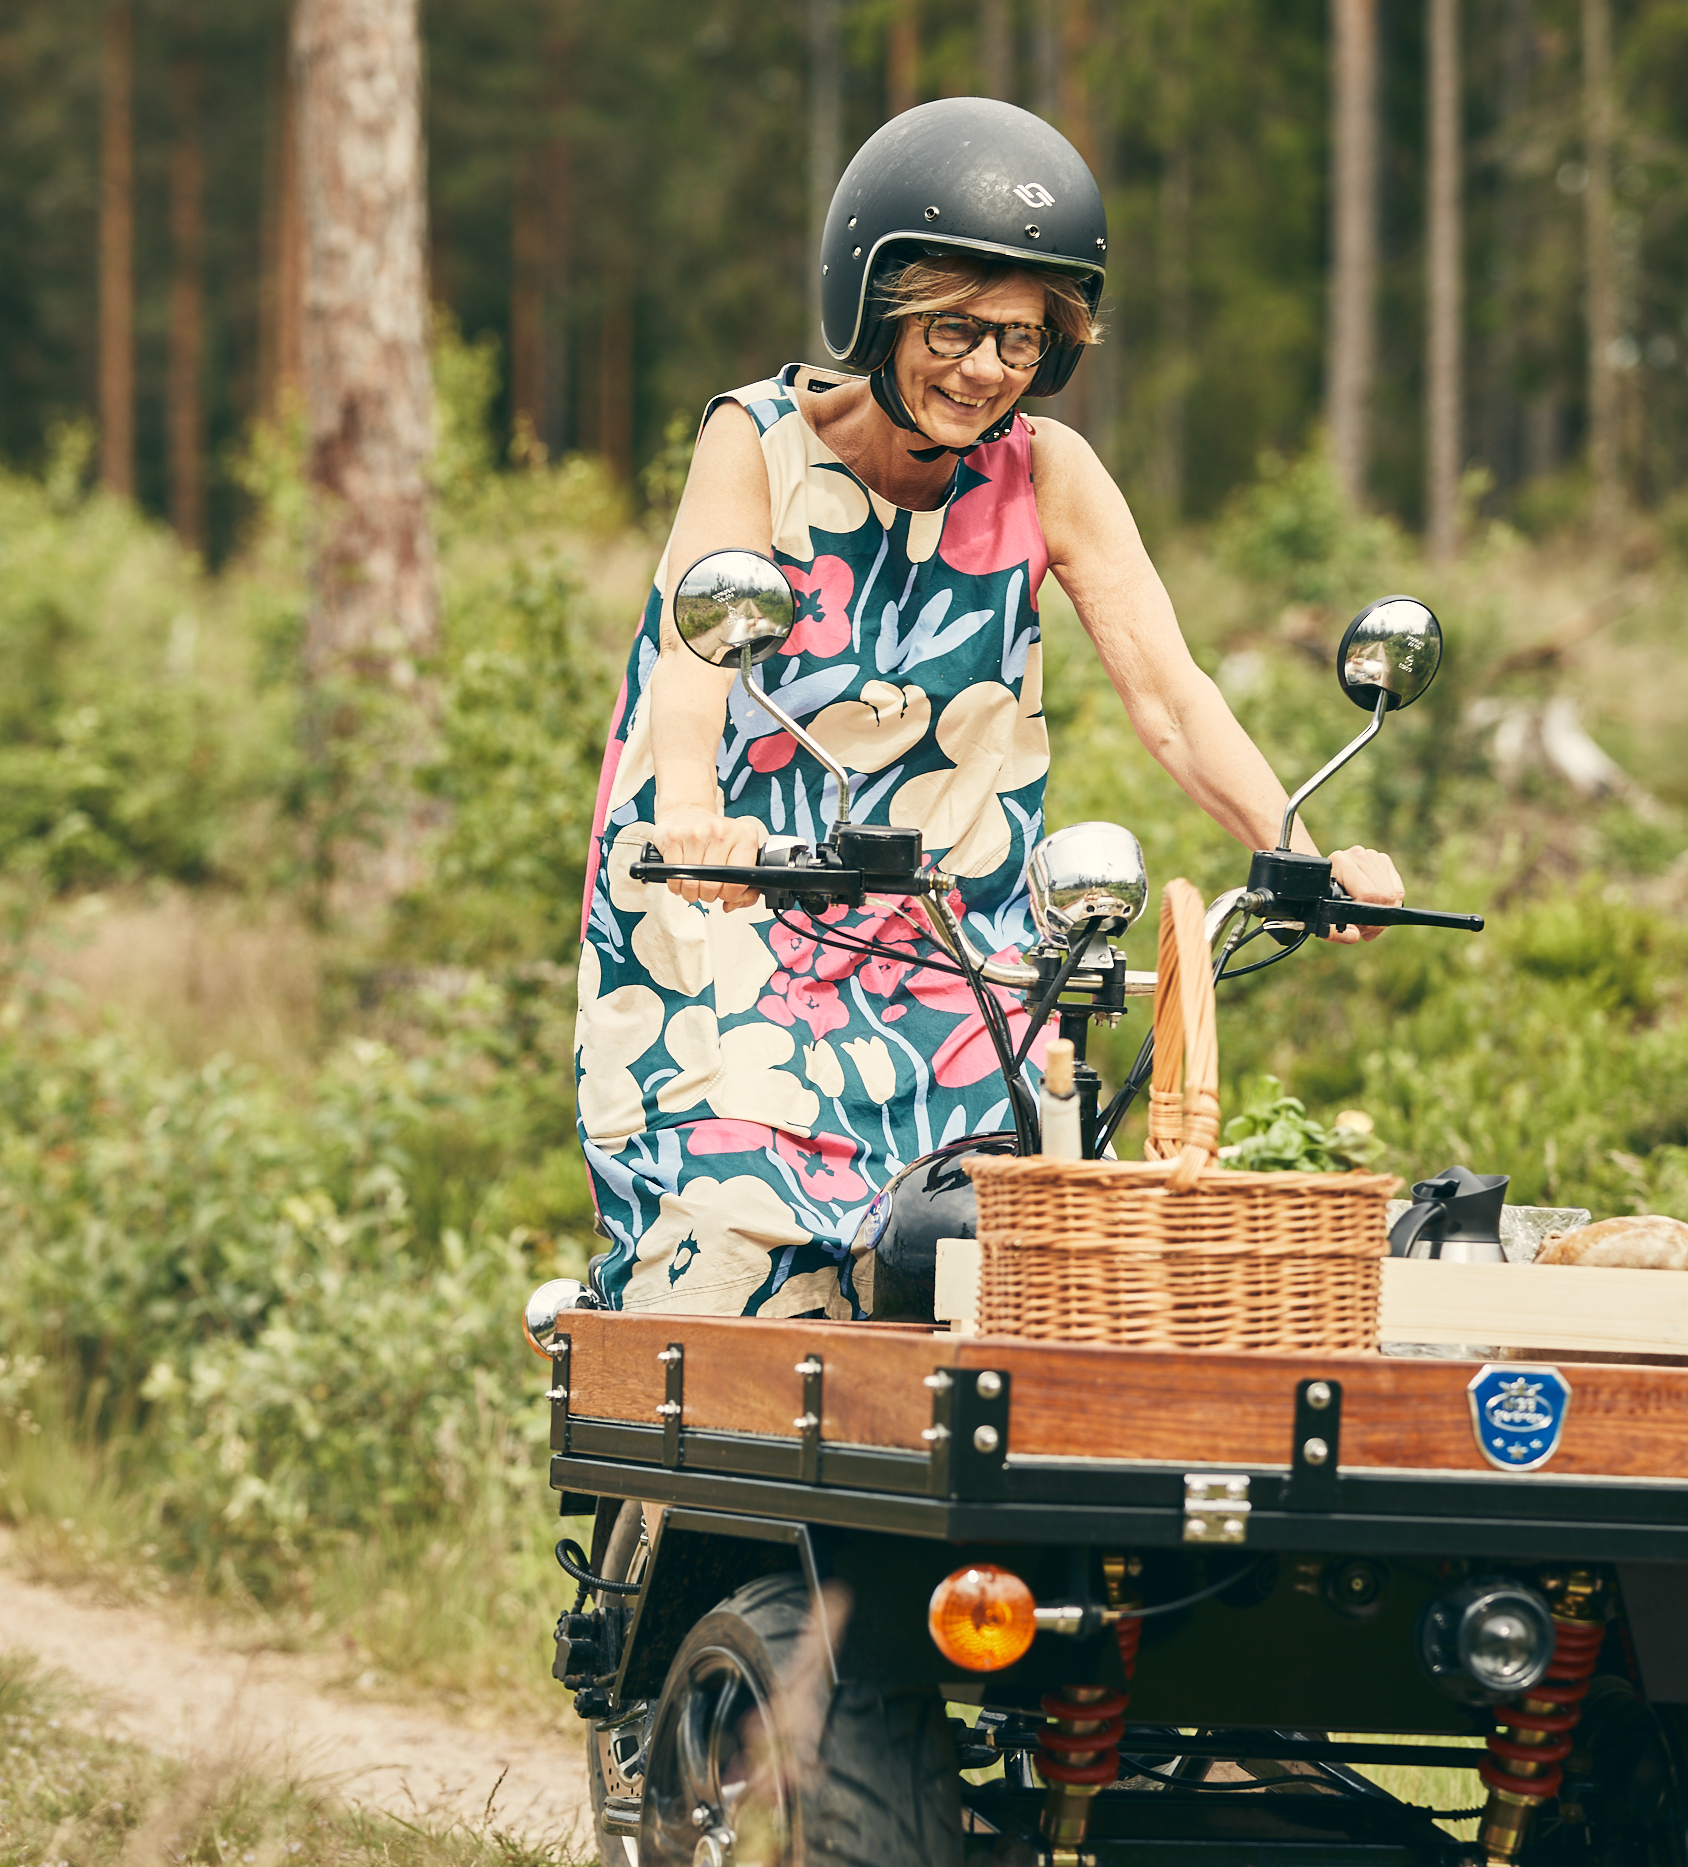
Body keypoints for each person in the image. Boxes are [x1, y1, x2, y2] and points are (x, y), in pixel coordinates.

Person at [575, 98, 1408, 1319]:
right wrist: (696, 821)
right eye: (955, 328)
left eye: (1021, 341)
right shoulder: (756, 442)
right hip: (736, 914)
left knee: (1003, 1269)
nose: (985, 370)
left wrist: (1297, 847)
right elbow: (697, 656)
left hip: (949, 942)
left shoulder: (1047, 469)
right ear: (877, 309)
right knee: (733, 1248)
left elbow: (1170, 692)